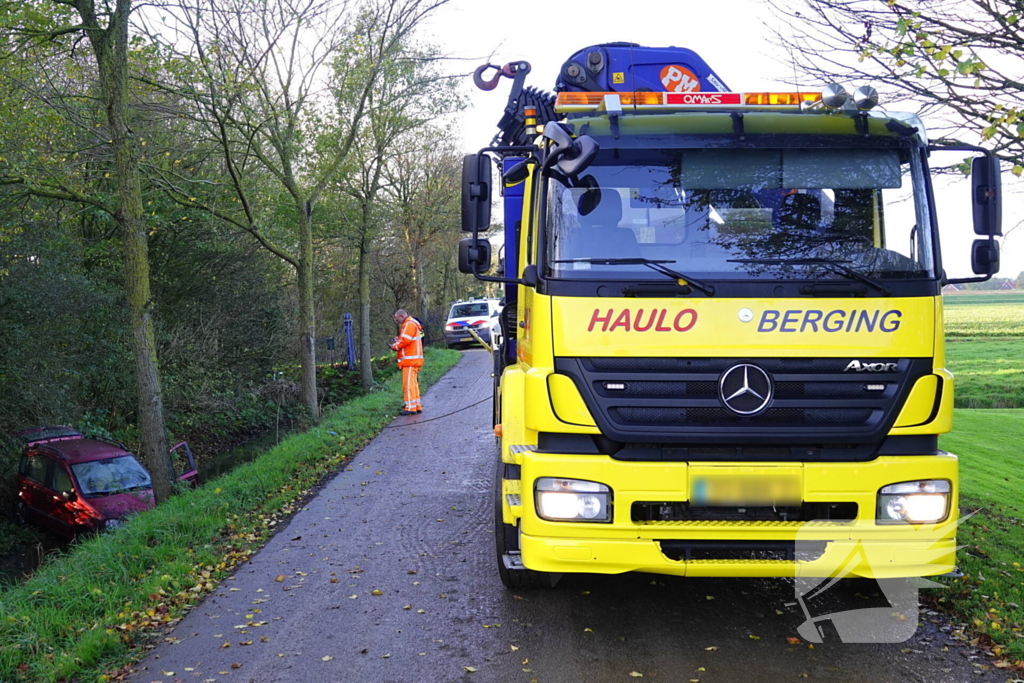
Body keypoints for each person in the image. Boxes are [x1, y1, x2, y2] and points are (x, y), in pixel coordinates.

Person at [391, 309, 424, 415]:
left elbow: (405, 341)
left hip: (410, 360)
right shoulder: (413, 324)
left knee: (408, 384)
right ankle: (416, 405)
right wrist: (398, 339)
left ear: (401, 316)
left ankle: (410, 407)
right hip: (414, 359)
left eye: (397, 319)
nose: (397, 322)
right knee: (413, 384)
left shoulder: (409, 324)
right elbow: (406, 339)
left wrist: (395, 346)